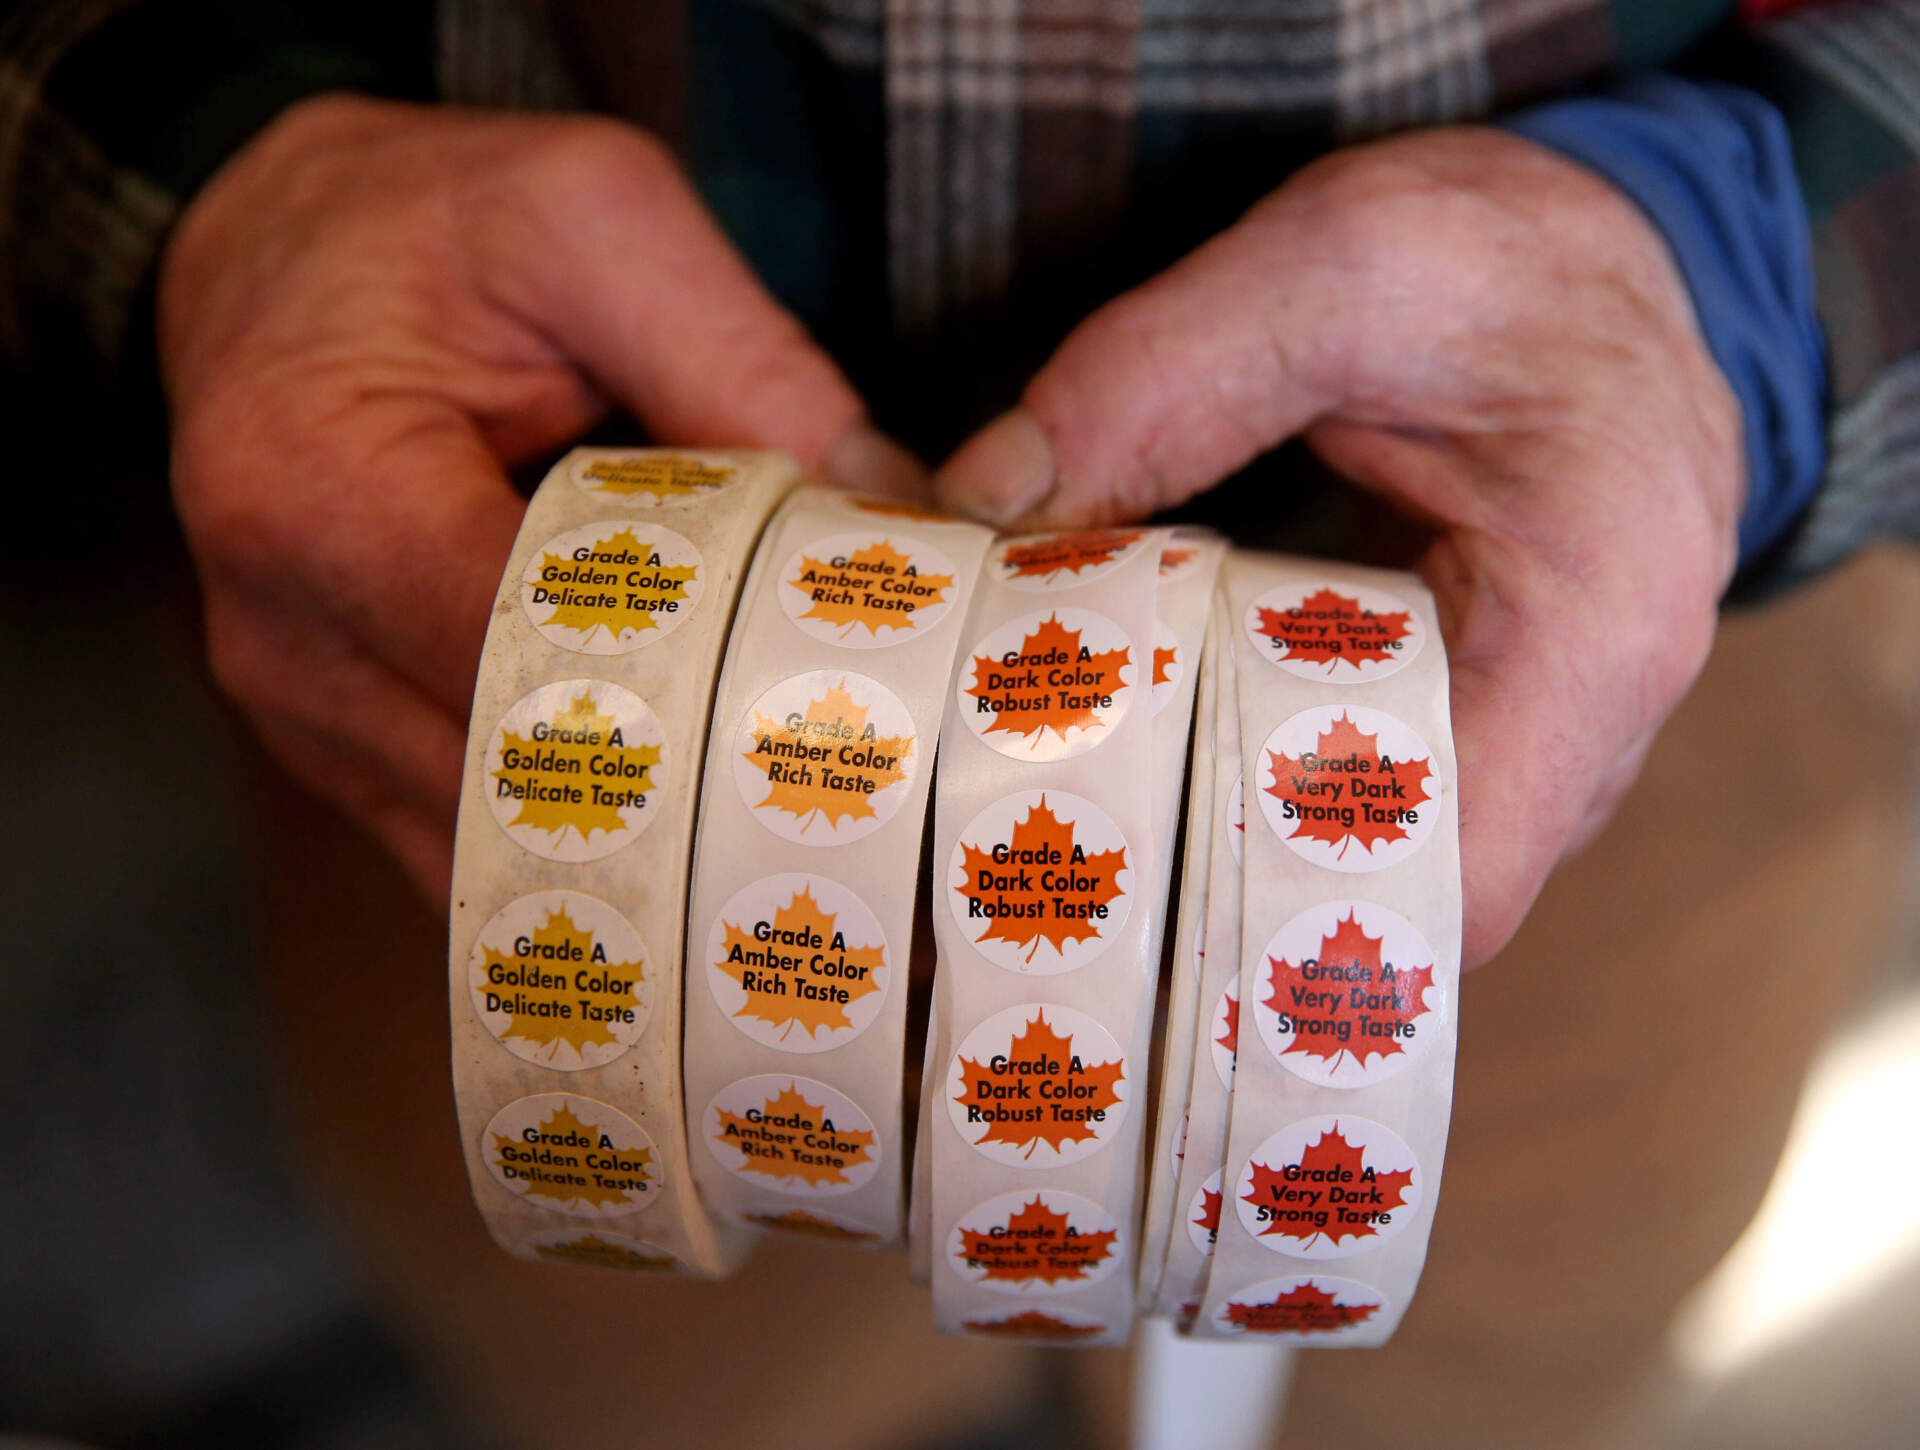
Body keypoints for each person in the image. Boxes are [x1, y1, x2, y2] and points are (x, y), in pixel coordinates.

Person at [4, 3, 1917, 1447]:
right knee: (663, 1389)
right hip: (547, 677)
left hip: (1581, 611)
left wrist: (1764, 275)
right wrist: (202, 171)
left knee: (1481, 1363)